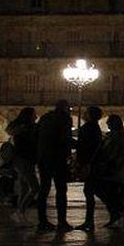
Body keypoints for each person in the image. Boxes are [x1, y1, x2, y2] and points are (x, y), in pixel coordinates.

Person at [87, 115, 124, 228]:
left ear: (114, 123)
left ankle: (118, 210)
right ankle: (115, 214)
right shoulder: (113, 136)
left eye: (109, 122)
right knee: (108, 193)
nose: (107, 124)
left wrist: (110, 163)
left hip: (113, 169)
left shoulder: (119, 137)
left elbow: (115, 153)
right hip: (110, 168)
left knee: (104, 191)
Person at [36, 100, 74, 233]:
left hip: (43, 157)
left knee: (44, 190)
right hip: (58, 158)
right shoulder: (65, 118)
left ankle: (42, 222)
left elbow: (37, 135)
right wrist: (71, 151)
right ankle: (62, 222)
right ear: (65, 108)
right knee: (61, 190)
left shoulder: (45, 118)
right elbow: (65, 138)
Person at [6, 107, 40, 226]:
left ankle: (20, 215)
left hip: (24, 160)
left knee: (24, 188)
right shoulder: (24, 127)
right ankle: (20, 212)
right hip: (23, 159)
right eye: (34, 114)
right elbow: (10, 131)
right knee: (35, 188)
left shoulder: (28, 127)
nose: (36, 117)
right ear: (28, 116)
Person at [75, 106, 103, 232]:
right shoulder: (95, 127)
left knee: (90, 191)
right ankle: (89, 220)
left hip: (89, 163)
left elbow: (83, 146)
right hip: (92, 163)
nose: (84, 115)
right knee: (91, 190)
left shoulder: (88, 128)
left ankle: (89, 221)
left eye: (86, 113)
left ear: (90, 115)